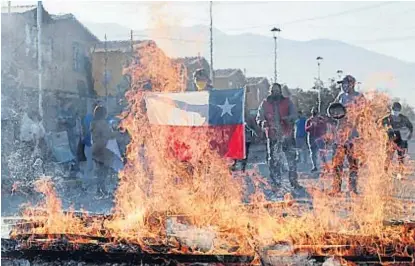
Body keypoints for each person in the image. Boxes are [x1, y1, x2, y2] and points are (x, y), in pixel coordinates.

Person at [256, 83, 302, 190]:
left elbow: (295, 115)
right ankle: (276, 183)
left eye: (276, 90)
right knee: (273, 160)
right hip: (272, 136)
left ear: (280, 91)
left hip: (287, 135)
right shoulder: (265, 103)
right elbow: (259, 117)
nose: (274, 92)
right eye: (272, 91)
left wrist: (289, 118)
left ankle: (293, 181)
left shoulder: (287, 102)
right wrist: (262, 123)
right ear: (269, 92)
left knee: (291, 158)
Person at [331, 75, 365, 194]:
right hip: (339, 136)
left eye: (345, 83)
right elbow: (332, 110)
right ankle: (336, 188)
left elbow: (363, 114)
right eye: (342, 84)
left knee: (353, 164)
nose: (343, 86)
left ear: (351, 84)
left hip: (353, 136)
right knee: (337, 164)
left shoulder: (359, 97)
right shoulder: (341, 96)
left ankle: (352, 188)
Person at [90, 105, 117, 197]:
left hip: (96, 148)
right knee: (104, 171)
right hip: (103, 149)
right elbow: (109, 135)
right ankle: (103, 189)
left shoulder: (93, 123)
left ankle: (99, 189)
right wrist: (117, 132)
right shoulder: (103, 124)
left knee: (99, 171)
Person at [381, 102, 413, 175]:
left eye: (398, 109)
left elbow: (410, 126)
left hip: (400, 139)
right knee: (388, 156)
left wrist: (409, 134)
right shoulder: (387, 118)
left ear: (400, 110)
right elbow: (380, 124)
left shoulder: (403, 118)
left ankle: (400, 172)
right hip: (390, 139)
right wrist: (386, 129)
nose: (396, 111)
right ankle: (385, 171)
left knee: (401, 157)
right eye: (395, 109)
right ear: (392, 109)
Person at [305, 107, 328, 172]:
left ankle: (325, 166)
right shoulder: (309, 120)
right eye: (313, 113)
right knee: (313, 152)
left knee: (322, 152)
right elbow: (306, 129)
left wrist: (318, 125)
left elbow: (325, 128)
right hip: (311, 137)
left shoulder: (321, 120)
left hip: (319, 137)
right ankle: (314, 166)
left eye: (315, 113)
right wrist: (311, 125)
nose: (314, 115)